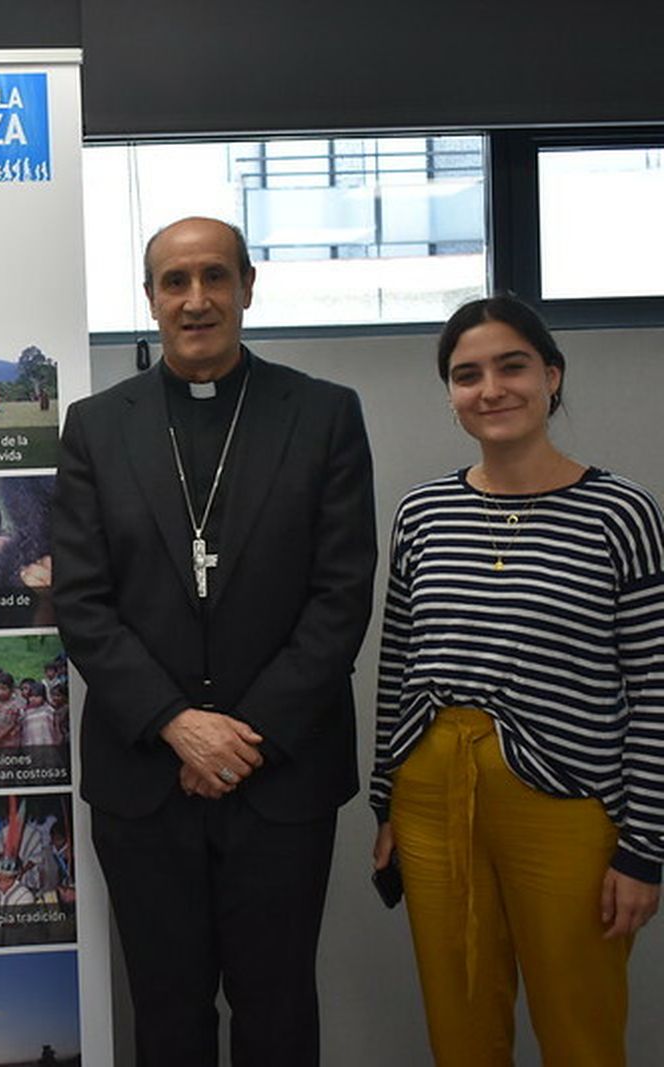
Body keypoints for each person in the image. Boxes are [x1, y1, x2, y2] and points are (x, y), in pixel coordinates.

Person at [52, 216, 377, 1065]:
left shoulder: (323, 415)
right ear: (152, 298)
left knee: (277, 1011)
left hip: (282, 777)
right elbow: (83, 602)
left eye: (214, 278)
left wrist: (242, 733)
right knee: (167, 1013)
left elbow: (340, 598)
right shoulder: (96, 426)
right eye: (175, 282)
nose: (196, 300)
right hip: (146, 778)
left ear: (247, 285)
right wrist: (176, 721)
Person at [370, 295, 664, 1066]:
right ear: (451, 396)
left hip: (569, 802)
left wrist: (644, 849)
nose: (490, 388)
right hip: (431, 796)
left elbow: (656, 689)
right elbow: (398, 664)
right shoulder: (423, 513)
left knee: (580, 1027)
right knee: (461, 1023)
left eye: (512, 366)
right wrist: (385, 804)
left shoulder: (619, 512)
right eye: (467, 375)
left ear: (552, 377)